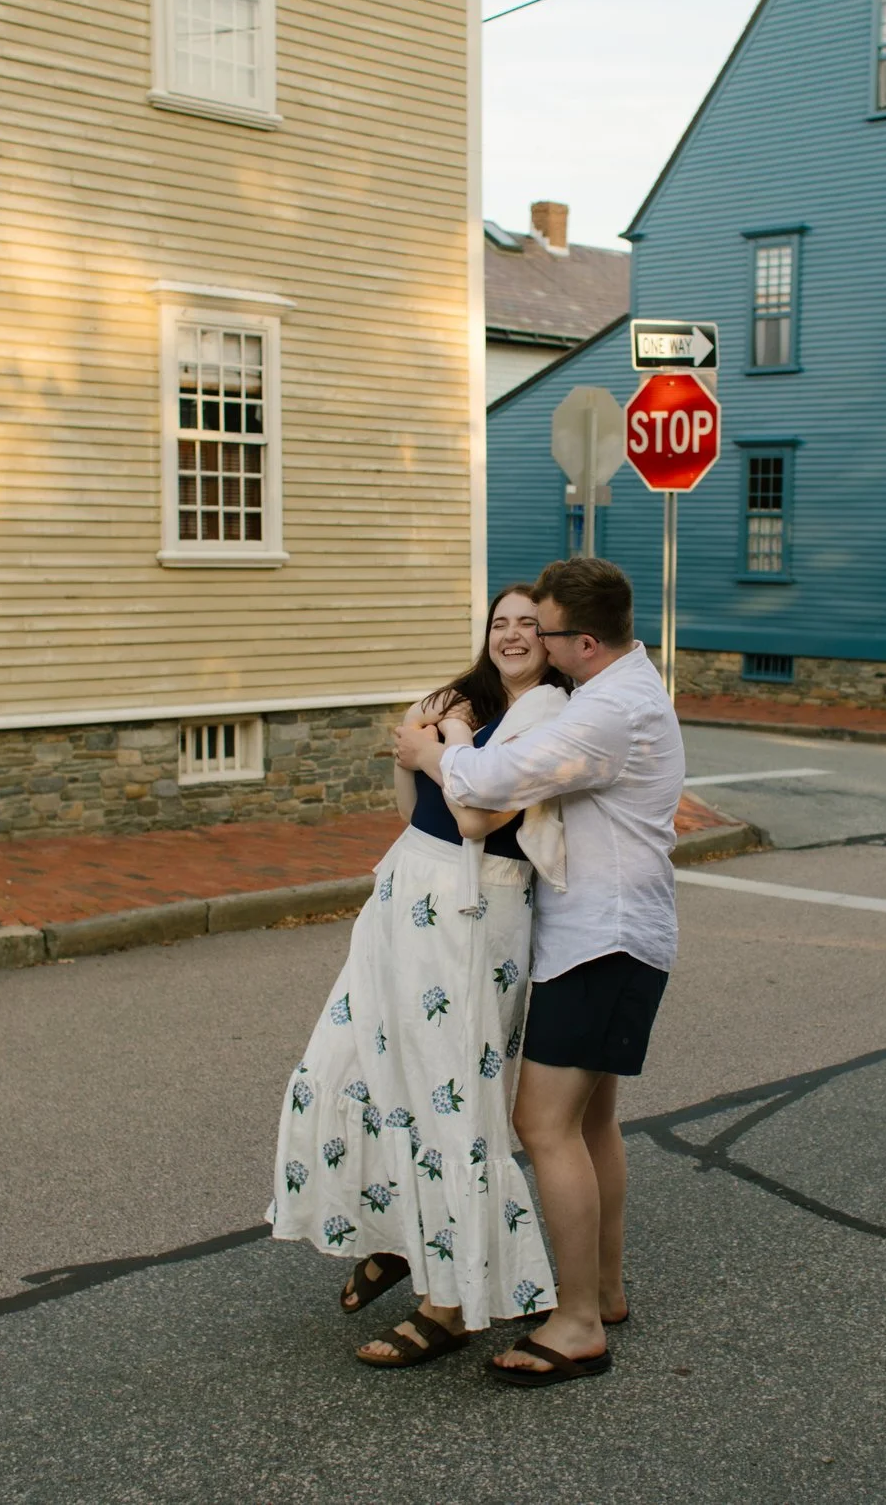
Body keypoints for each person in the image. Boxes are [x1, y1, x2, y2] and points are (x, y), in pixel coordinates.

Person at [391, 556, 683, 1387]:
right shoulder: (619, 686)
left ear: (582, 640)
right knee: (590, 1126)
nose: (534, 644)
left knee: (543, 1125)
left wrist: (434, 742)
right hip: (613, 938)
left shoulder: (605, 714)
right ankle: (606, 1289)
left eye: (545, 632)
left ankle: (579, 1321)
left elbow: (481, 783)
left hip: (601, 943)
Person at [268, 586, 575, 1369]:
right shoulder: (466, 703)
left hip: (476, 908)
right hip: (406, 886)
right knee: (344, 1065)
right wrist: (421, 733)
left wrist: (448, 740)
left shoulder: (542, 714)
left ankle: (452, 1303)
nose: (511, 634)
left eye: (527, 624)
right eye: (499, 622)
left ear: (552, 639)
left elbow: (477, 818)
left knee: (448, 1097)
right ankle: (406, 1233)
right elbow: (414, 804)